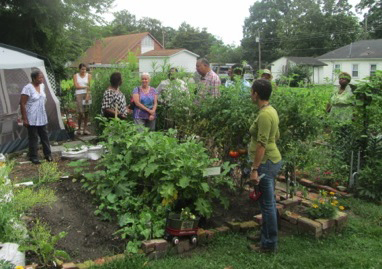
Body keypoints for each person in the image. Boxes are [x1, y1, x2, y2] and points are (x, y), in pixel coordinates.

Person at [248, 79, 282, 253]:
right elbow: (276, 136)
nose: (250, 94)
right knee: (267, 203)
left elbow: (262, 144)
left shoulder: (264, 115)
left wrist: (255, 169)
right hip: (271, 161)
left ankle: (269, 244)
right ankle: (266, 234)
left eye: (251, 91)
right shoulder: (271, 111)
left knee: (267, 205)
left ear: (256, 94)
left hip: (265, 164)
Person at [20, 70, 52, 164]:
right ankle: (33, 156)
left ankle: (48, 154)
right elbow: (22, 103)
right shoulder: (27, 88)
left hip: (41, 115)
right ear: (34, 78)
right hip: (31, 117)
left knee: (44, 136)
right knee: (33, 137)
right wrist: (24, 119)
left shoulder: (42, 86)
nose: (42, 79)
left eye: (42, 77)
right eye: (40, 78)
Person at [73, 63, 92, 135]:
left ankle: (85, 129)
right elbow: (76, 86)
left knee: (87, 112)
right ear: (79, 69)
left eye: (85, 69)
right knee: (80, 112)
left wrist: (87, 94)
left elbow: (89, 86)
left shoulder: (89, 76)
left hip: (87, 94)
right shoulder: (76, 76)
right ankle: (78, 128)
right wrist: (85, 87)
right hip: (79, 94)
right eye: (82, 69)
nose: (83, 70)